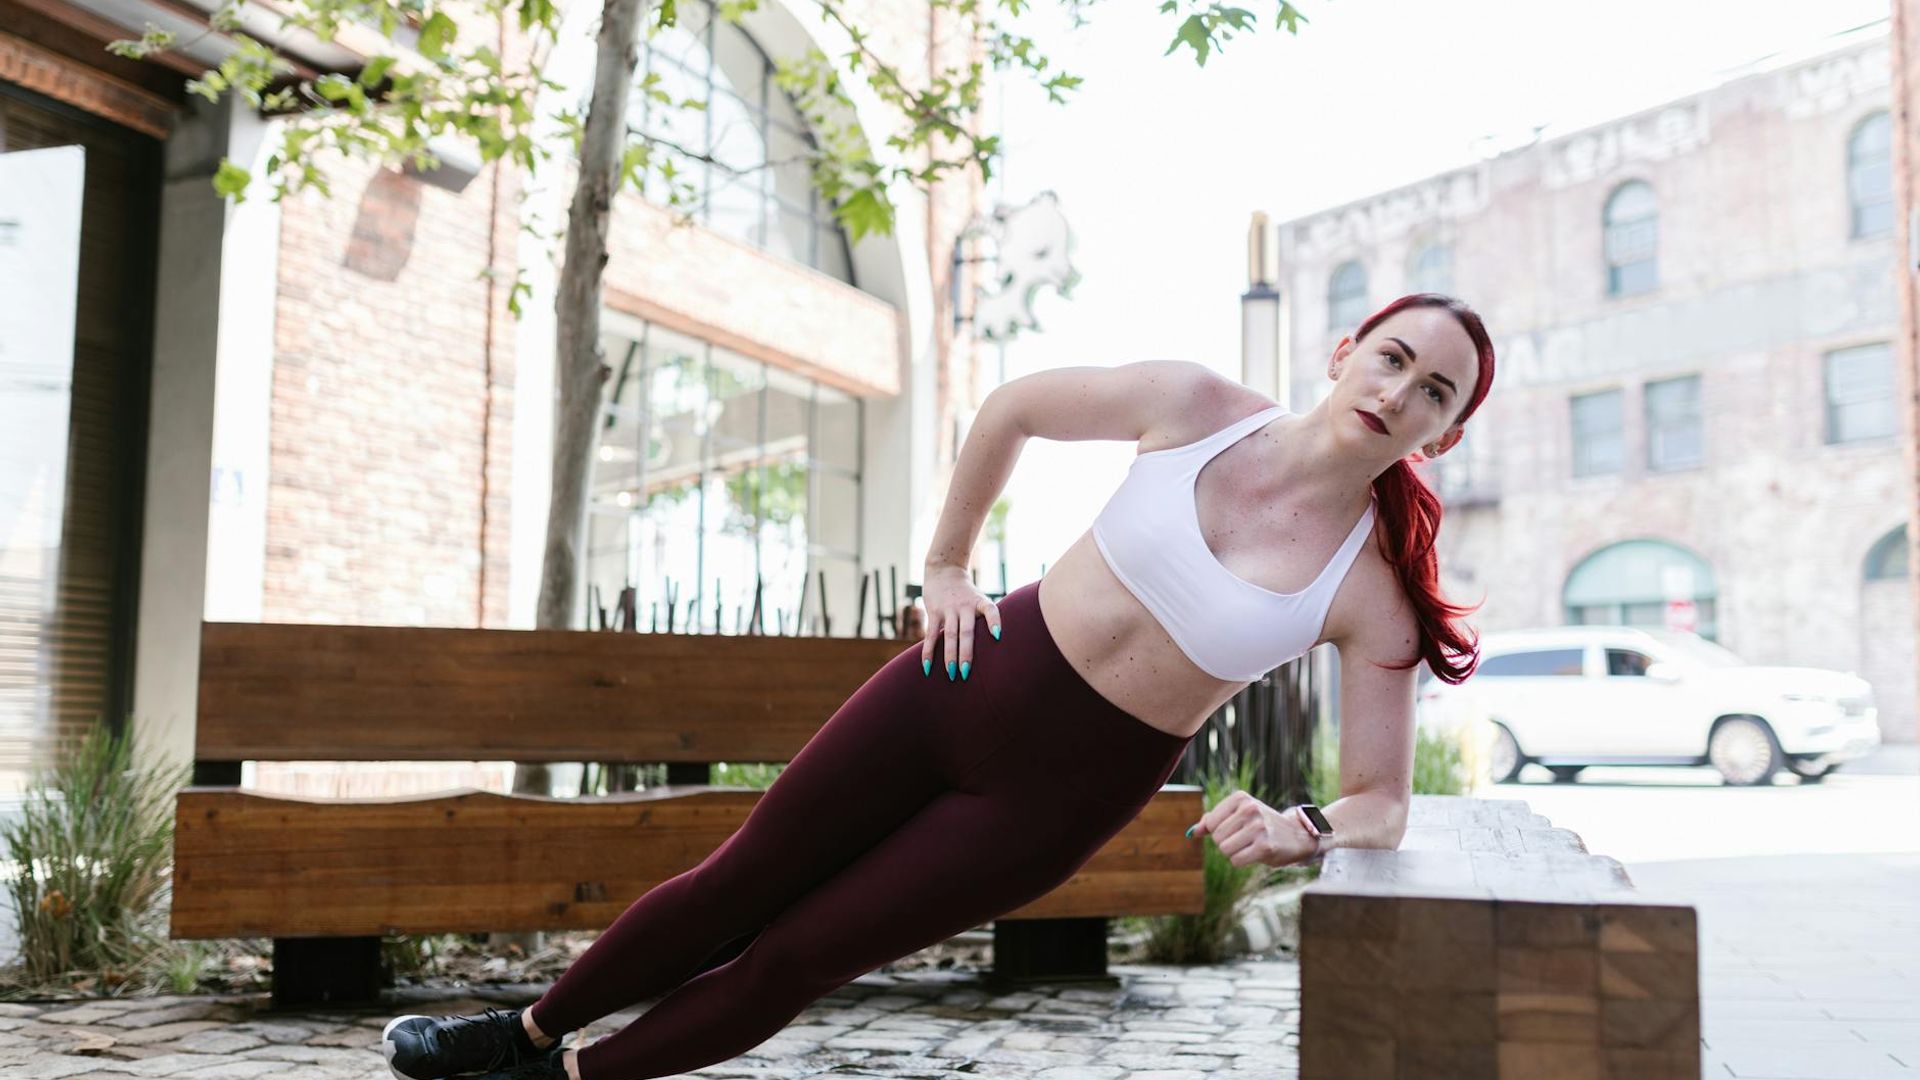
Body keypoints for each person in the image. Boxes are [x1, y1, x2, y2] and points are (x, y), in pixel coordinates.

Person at [380, 292, 1495, 1080]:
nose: (1401, 391)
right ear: (1348, 348)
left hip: (1056, 799)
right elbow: (1011, 406)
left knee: (801, 957)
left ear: (1442, 438)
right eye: (1393, 357)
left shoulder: (1373, 592)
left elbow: (1381, 805)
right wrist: (950, 567)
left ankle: (580, 1077)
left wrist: (1304, 827)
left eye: (1434, 391)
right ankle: (520, 1034)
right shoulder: (1197, 404)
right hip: (968, 676)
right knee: (739, 882)